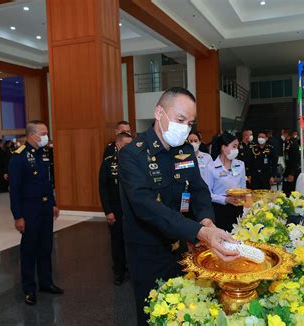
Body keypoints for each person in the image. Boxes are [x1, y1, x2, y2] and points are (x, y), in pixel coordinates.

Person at [117, 87, 238, 325]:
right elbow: (145, 207)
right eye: (180, 120)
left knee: (182, 310)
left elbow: (198, 189)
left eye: (190, 123)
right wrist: (200, 232)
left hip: (180, 246)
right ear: (159, 112)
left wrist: (206, 221)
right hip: (147, 251)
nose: (185, 128)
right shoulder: (133, 155)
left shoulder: (184, 150)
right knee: (152, 314)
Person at [8, 120, 63, 306]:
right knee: (29, 250)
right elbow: (14, 190)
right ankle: (29, 289)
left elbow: (47, 182)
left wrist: (53, 203)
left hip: (46, 208)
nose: (46, 136)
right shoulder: (19, 157)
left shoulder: (43, 154)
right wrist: (18, 216)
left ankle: (46, 282)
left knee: (46, 247)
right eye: (44, 133)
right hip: (29, 210)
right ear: (32, 135)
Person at [99, 132, 133, 286]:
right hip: (116, 208)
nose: (129, 147)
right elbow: (103, 188)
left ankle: (131, 269)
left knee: (132, 240)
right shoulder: (108, 162)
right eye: (126, 145)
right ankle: (118, 271)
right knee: (117, 241)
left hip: (132, 209)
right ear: (119, 145)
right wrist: (108, 211)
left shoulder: (135, 162)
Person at [205, 132, 246, 232]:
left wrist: (242, 198)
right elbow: (208, 194)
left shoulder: (240, 164)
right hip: (220, 209)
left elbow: (243, 187)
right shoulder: (211, 167)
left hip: (237, 207)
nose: (237, 150)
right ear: (224, 148)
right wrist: (225, 200)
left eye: (237, 146)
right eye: (234, 146)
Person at [283, 131, 301, 196]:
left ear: (286, 134)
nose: (282, 136)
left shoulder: (293, 144)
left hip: (292, 170)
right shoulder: (287, 143)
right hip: (287, 169)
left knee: (290, 191)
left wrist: (292, 173)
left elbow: (295, 160)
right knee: (285, 190)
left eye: (283, 134)